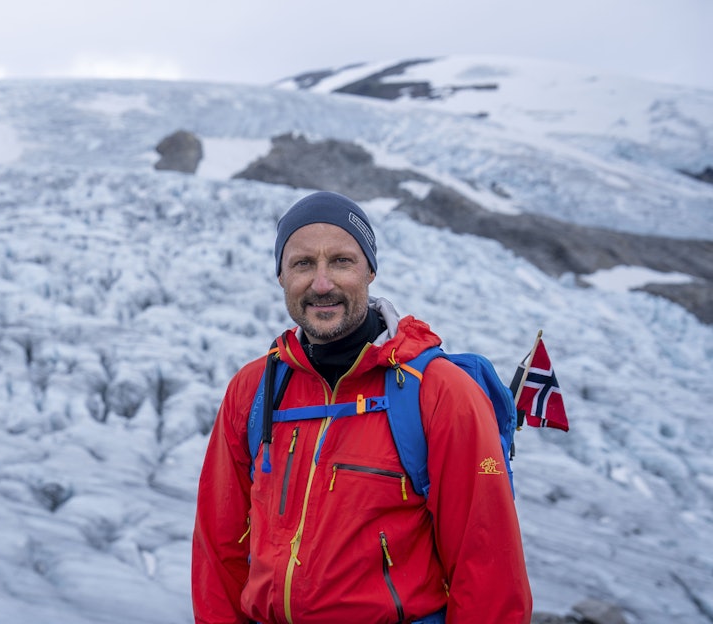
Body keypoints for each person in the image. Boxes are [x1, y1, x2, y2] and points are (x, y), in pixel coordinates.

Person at [192, 191, 532, 623]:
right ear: (280, 276)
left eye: (341, 261)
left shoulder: (438, 391)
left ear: (370, 269)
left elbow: (488, 568)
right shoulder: (254, 388)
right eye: (301, 264)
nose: (321, 283)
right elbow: (218, 546)